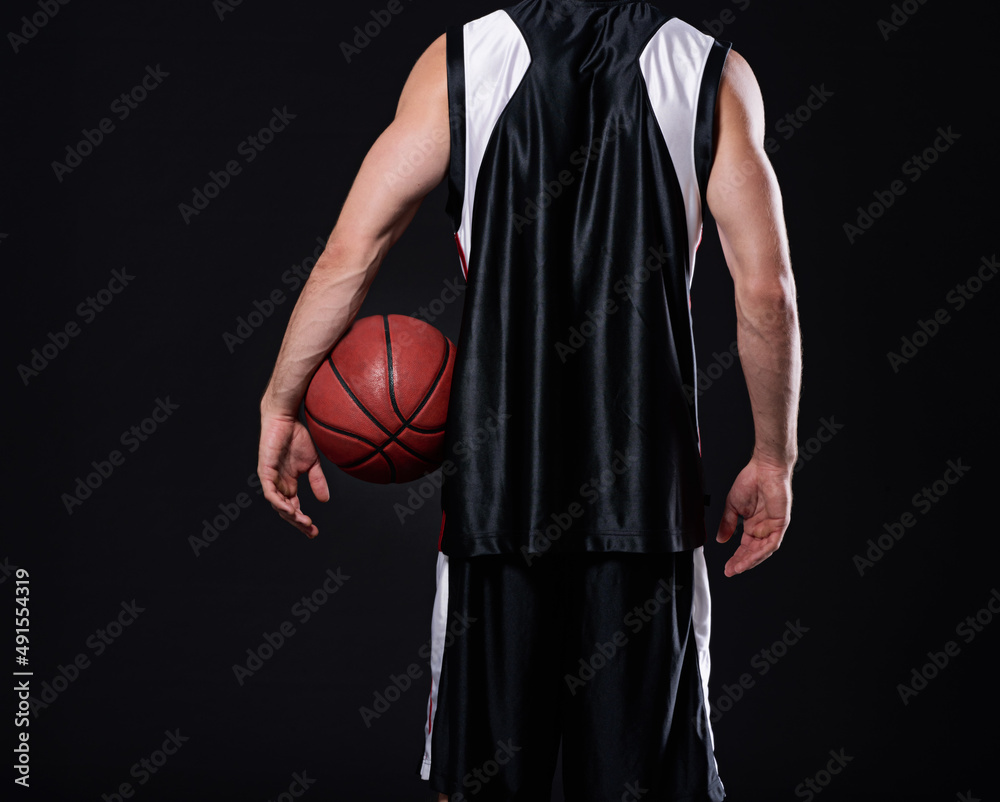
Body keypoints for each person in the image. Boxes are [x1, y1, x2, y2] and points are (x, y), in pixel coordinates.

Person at [257, 1, 801, 799]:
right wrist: (774, 457)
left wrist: (282, 401)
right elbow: (767, 293)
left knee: (479, 785)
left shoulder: (461, 62)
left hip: (496, 503)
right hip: (646, 507)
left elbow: (351, 251)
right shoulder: (712, 72)